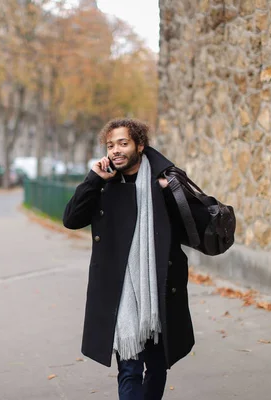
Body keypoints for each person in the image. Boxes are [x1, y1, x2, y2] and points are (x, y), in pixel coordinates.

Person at [62, 118, 211, 400]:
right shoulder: (104, 183)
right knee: (129, 369)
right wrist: (93, 180)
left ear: (139, 145)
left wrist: (172, 192)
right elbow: (71, 219)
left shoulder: (164, 180)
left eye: (123, 143)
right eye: (110, 145)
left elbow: (196, 224)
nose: (115, 150)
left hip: (158, 289)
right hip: (120, 291)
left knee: (156, 366)